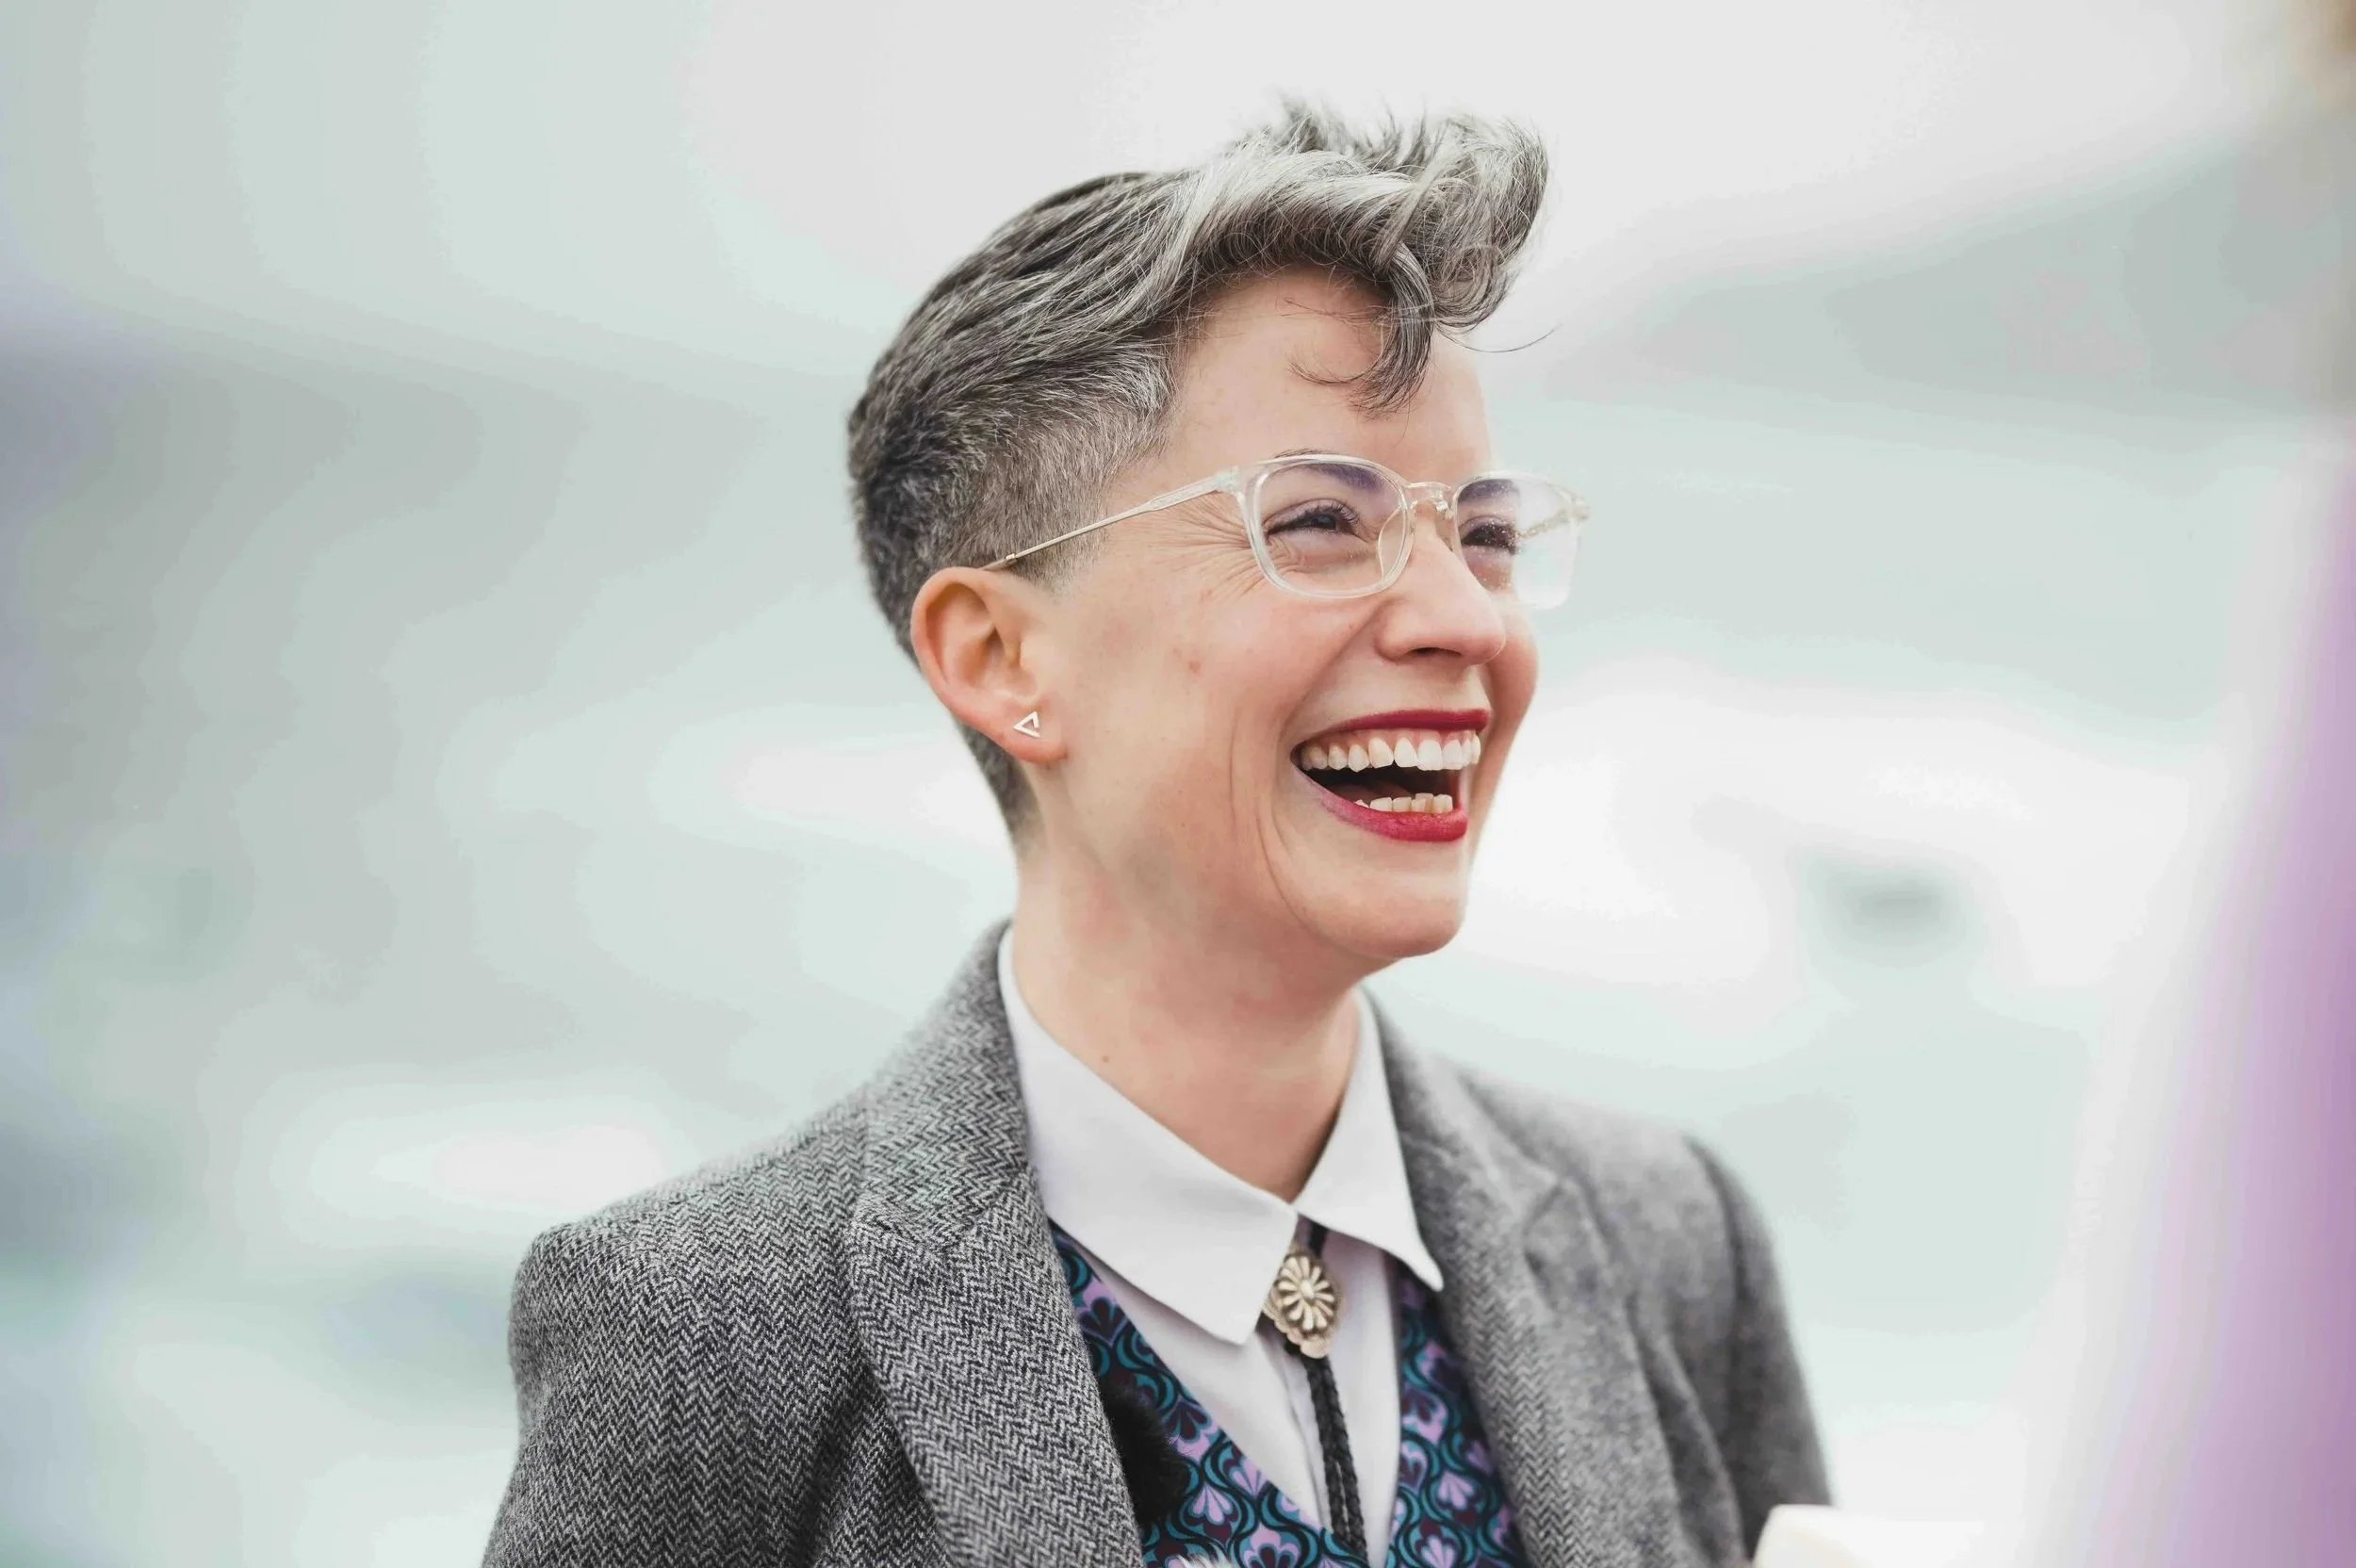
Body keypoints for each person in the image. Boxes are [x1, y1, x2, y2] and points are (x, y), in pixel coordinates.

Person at [483, 105, 1829, 1568]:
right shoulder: (708, 1347)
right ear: (1003, 659)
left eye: (1485, 535)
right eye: (1321, 521)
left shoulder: (1673, 1243)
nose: (1463, 619)